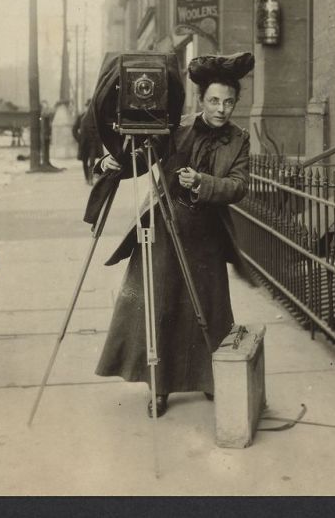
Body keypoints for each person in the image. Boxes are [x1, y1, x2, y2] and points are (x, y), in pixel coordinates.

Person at [94, 53, 254, 418]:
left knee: (210, 308)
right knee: (161, 307)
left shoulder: (239, 141)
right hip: (166, 228)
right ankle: (160, 386)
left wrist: (203, 183)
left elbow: (238, 186)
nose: (221, 108)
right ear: (201, 101)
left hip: (207, 234)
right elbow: (135, 158)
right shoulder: (176, 128)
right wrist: (108, 162)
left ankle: (211, 378)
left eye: (228, 102)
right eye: (214, 101)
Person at [72, 99, 104, 185]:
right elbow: (74, 129)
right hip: (84, 144)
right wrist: (79, 139)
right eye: (87, 106)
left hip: (93, 143)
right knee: (84, 161)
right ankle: (87, 178)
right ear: (86, 107)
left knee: (92, 161)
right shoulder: (81, 117)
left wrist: (98, 138)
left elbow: (101, 129)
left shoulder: (95, 117)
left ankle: (90, 178)